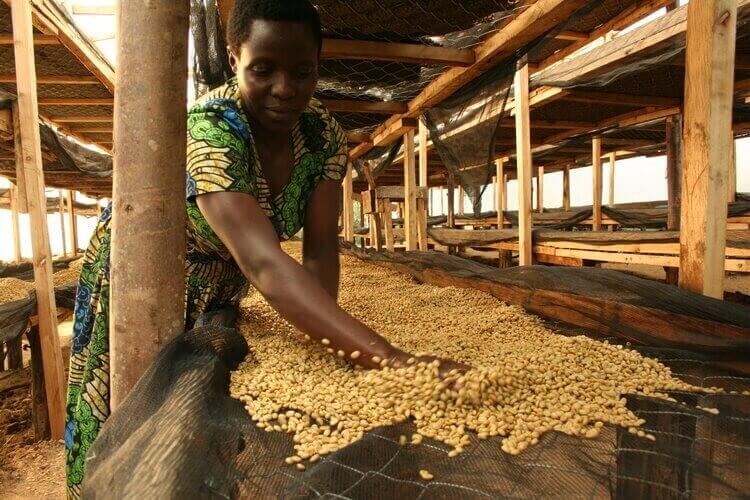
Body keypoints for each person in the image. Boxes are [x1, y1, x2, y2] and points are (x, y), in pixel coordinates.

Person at [64, 0, 465, 497]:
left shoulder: (323, 136)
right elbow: (264, 263)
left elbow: (320, 250)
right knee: (128, 418)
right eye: (263, 69)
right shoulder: (211, 127)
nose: (285, 89)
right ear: (234, 59)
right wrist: (392, 359)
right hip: (147, 275)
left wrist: (331, 346)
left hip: (224, 280)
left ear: (319, 65)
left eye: (303, 72)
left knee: (203, 416)